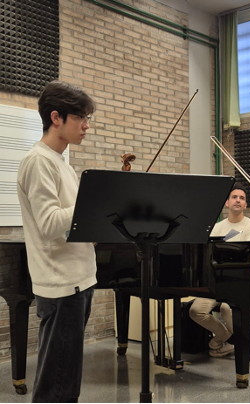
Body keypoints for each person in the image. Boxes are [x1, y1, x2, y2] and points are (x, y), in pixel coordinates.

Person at [17, 81, 97, 403]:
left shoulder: (62, 163)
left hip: (79, 280)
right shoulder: (38, 161)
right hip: (62, 285)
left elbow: (68, 224)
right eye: (80, 117)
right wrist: (93, 204)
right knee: (57, 386)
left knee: (66, 380)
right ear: (55, 117)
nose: (86, 125)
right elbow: (49, 223)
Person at [189, 184, 250, 358]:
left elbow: (248, 257)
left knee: (228, 308)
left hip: (240, 282)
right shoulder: (216, 228)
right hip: (216, 282)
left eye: (242, 198)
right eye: (234, 197)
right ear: (227, 203)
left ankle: (230, 342)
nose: (238, 200)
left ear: (245, 205)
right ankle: (230, 339)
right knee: (195, 311)